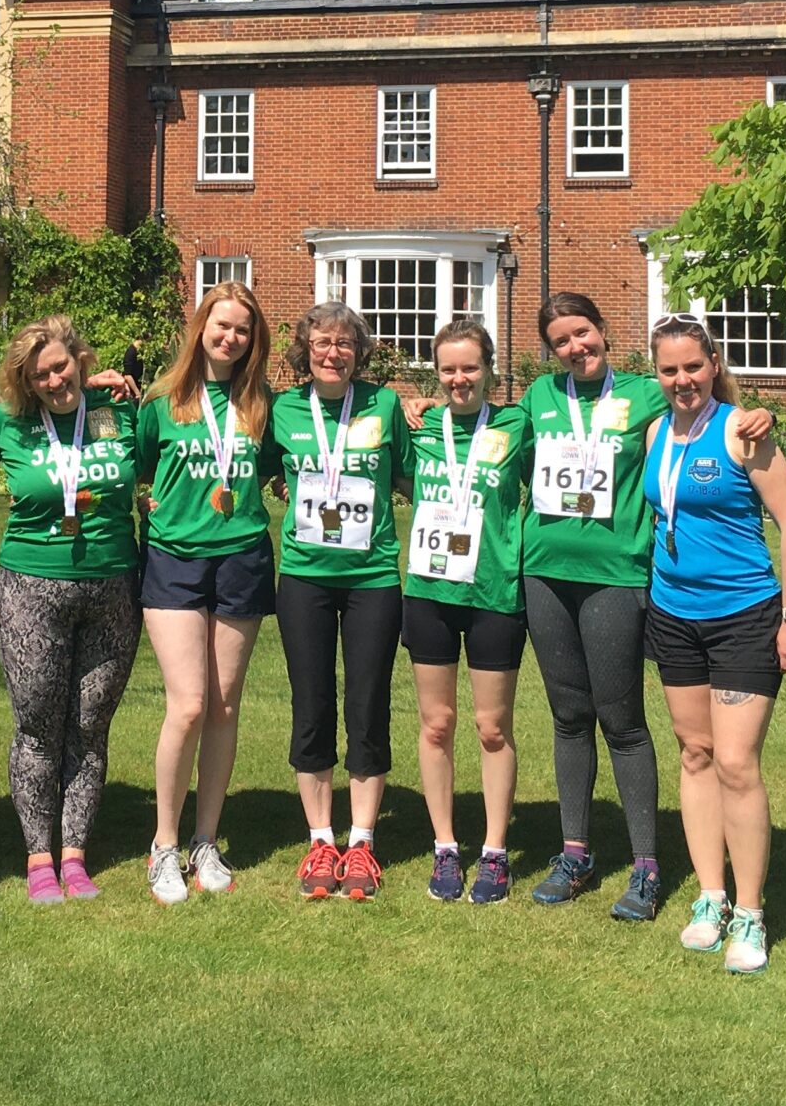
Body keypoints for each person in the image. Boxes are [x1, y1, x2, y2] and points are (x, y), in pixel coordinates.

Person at [517, 292, 771, 923]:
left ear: (603, 330)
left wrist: (757, 412)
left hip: (617, 575)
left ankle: (646, 865)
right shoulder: (539, 396)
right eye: (560, 341)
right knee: (567, 716)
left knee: (622, 720)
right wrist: (427, 409)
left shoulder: (647, 393)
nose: (575, 347)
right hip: (545, 572)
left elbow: (707, 411)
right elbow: (494, 438)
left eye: (582, 332)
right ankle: (574, 853)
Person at [645, 316, 786, 975]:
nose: (682, 379)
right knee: (695, 753)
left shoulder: (744, 432)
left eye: (693, 366)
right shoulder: (656, 432)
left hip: (743, 615)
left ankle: (750, 911)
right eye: (669, 370)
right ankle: (710, 897)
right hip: (673, 615)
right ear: (657, 375)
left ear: (714, 364)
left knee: (737, 763)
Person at [0, 316, 141, 905]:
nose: (55, 381)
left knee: (89, 726)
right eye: (40, 376)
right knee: (38, 726)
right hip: (30, 589)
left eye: (61, 367)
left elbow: (162, 461)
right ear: (26, 382)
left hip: (112, 587)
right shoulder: (6, 423)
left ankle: (75, 854)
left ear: (80, 360)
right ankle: (39, 858)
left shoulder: (119, 412)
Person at [134, 278, 276, 904]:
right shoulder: (163, 401)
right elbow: (141, 466)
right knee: (188, 704)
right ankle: (163, 845)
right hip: (175, 560)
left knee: (223, 705)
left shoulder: (262, 404)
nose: (231, 337)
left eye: (243, 329)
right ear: (201, 329)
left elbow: (276, 468)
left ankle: (205, 840)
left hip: (242, 557)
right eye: (222, 325)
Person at [269, 301, 415, 901]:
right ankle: (320, 839)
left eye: (345, 343)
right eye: (323, 343)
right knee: (311, 703)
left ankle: (361, 842)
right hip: (304, 576)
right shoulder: (282, 409)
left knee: (367, 702)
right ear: (305, 350)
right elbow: (252, 471)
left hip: (371, 577)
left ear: (360, 352)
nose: (334, 353)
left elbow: (411, 473)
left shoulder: (384, 405)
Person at [400, 318, 533, 904]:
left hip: (494, 593)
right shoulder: (420, 425)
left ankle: (496, 851)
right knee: (436, 724)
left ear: (490, 370)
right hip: (430, 592)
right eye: (448, 369)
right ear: (437, 373)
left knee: (492, 727)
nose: (459, 378)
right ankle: (446, 846)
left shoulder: (517, 425)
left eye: (470, 367)